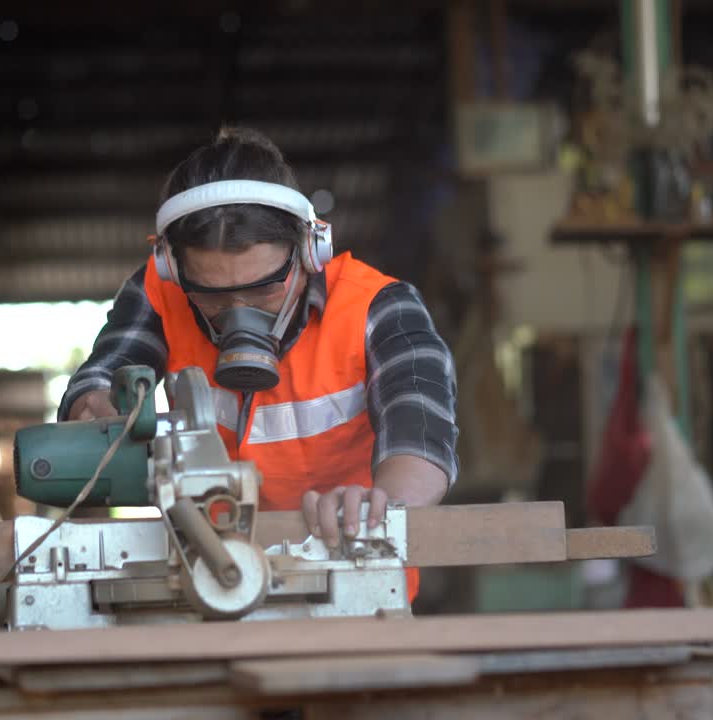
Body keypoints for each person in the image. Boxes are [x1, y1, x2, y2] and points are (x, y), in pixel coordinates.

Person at [60, 127, 458, 600]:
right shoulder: (160, 294)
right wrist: (94, 408)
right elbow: (102, 374)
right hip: (206, 576)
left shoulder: (378, 309)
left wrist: (380, 507)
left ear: (309, 253)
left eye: (264, 289)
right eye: (214, 295)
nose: (238, 311)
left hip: (350, 577)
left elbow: (422, 437)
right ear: (173, 267)